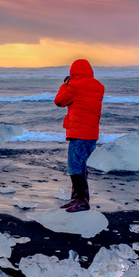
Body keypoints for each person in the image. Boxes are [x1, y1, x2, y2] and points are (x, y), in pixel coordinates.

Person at [54, 59, 104, 212]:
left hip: (79, 133)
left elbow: (59, 101)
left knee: (74, 167)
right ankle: (76, 199)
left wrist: (65, 84)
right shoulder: (98, 86)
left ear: (73, 72)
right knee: (81, 166)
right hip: (91, 134)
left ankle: (82, 201)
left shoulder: (74, 85)